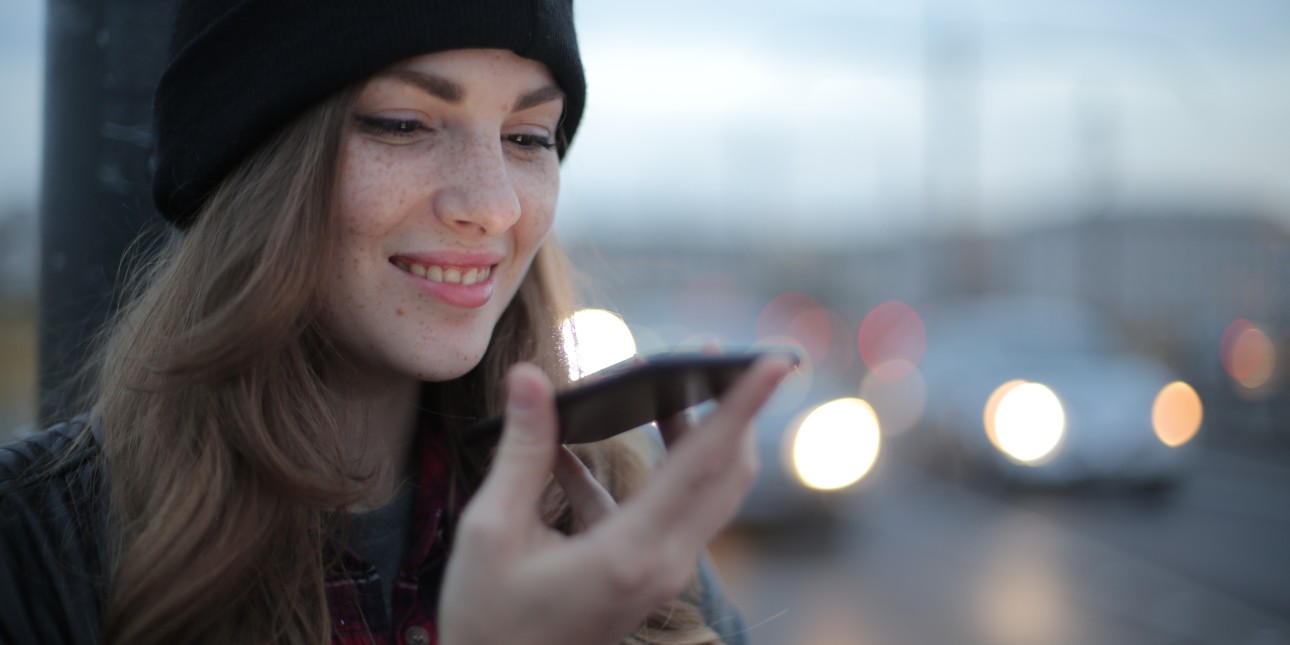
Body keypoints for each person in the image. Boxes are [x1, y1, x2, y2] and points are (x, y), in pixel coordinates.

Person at [0, 1, 793, 644]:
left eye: (528, 137)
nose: (492, 204)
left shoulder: (607, 521)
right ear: (252, 164)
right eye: (404, 124)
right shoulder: (31, 546)